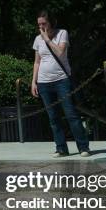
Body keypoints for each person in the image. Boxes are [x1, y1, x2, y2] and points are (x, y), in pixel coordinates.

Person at [31, 11, 90, 157]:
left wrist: (47, 39)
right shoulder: (38, 39)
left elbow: (60, 52)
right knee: (53, 117)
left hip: (61, 80)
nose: (41, 26)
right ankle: (61, 148)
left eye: (44, 23)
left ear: (51, 22)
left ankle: (83, 147)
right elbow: (37, 61)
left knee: (71, 114)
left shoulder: (62, 33)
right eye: (39, 24)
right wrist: (34, 81)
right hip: (44, 82)